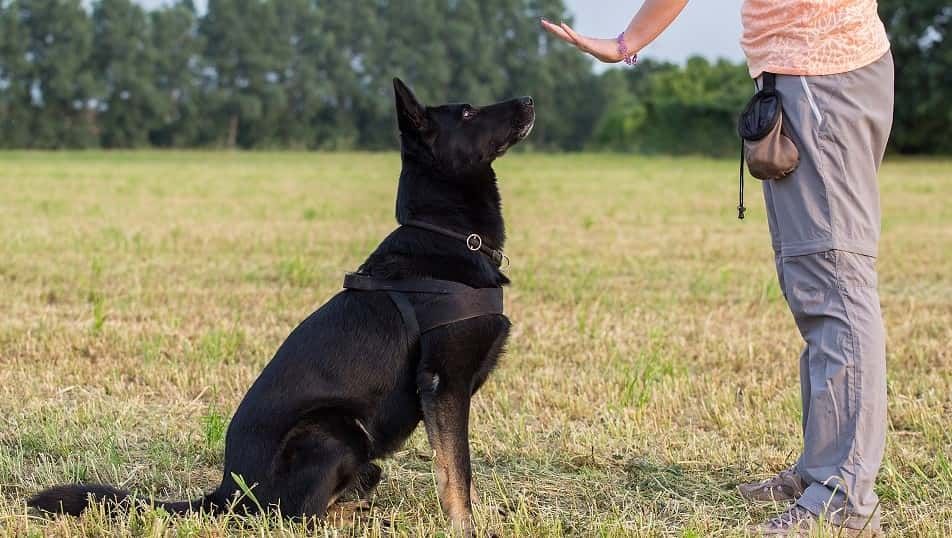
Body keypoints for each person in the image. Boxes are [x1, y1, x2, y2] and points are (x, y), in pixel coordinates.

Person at [543, 2, 893, 536]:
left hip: (824, 77)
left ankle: (843, 495)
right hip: (809, 75)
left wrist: (624, 42)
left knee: (835, 285)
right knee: (813, 285)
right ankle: (820, 471)